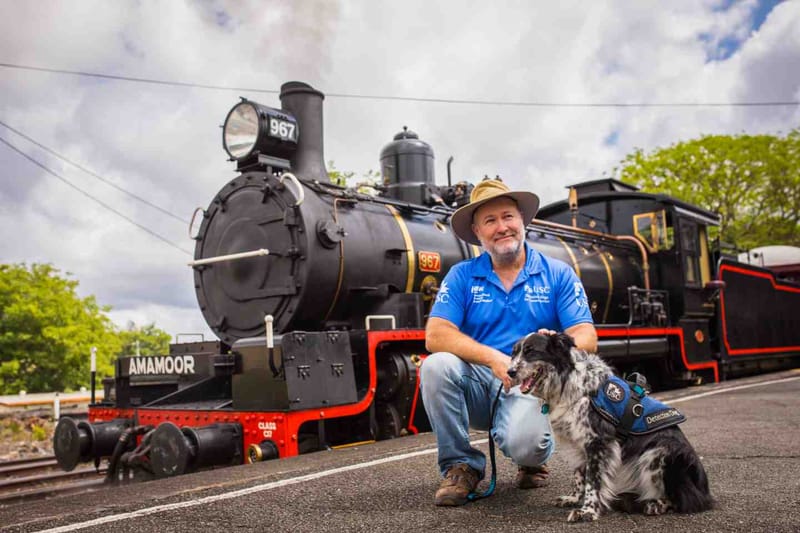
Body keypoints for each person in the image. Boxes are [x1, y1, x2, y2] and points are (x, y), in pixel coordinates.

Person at [421, 178, 598, 506]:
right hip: (479, 381)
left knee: (527, 446)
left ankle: (532, 461)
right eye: (490, 220)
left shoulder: (558, 273)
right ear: (477, 232)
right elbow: (435, 334)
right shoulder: (461, 275)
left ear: (522, 221)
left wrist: (555, 348)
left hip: (532, 384)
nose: (501, 227)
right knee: (436, 366)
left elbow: (587, 337)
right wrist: (491, 358)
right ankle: (462, 465)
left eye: (508, 217)